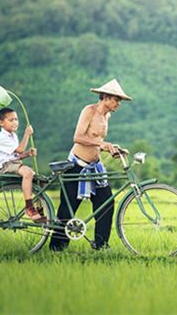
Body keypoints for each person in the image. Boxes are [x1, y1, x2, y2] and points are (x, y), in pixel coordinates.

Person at [50, 78, 132, 251]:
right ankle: (57, 248)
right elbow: (78, 137)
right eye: (117, 100)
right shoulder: (89, 111)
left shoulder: (106, 116)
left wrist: (111, 148)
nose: (119, 103)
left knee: (106, 203)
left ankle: (101, 245)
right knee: (68, 209)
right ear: (107, 97)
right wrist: (101, 144)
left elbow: (97, 140)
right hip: (76, 166)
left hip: (95, 166)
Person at [0, 107, 43, 221]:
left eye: (16, 119)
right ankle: (29, 207)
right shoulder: (2, 137)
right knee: (28, 172)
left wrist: (28, 153)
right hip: (5, 166)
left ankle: (40, 208)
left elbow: (17, 155)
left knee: (41, 180)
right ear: (1, 123)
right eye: (11, 120)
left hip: (13, 163)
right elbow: (19, 150)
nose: (15, 122)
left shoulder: (13, 135)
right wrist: (27, 134)